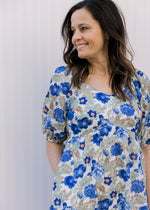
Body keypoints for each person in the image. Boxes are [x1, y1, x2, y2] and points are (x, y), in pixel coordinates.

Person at [42, 0, 150, 209]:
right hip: (79, 201)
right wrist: (68, 186)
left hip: (128, 200)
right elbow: (53, 140)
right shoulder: (64, 80)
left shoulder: (139, 83)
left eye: (84, 28)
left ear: (108, 30)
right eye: (73, 31)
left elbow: (146, 147)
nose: (75, 38)